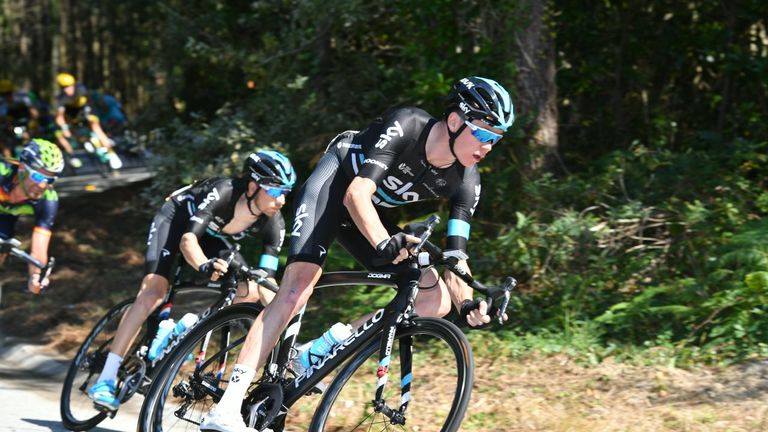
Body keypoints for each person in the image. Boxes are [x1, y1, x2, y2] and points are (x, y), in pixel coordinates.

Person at [199, 76, 515, 432]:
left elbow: (456, 255)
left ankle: (319, 349)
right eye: (484, 134)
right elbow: (356, 194)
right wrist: (383, 242)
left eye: (497, 139)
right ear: (455, 121)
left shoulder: (467, 181)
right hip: (334, 189)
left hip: (366, 215)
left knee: (435, 300)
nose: (488, 147)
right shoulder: (408, 125)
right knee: (296, 288)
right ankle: (224, 409)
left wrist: (470, 302)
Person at [87, 150, 296, 412]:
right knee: (154, 292)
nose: (282, 200)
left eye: (286, 192)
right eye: (276, 192)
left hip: (211, 236)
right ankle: (106, 378)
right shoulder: (224, 192)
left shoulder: (274, 223)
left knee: (250, 289)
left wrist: (284, 317)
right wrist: (203, 264)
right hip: (175, 221)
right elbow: (188, 241)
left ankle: (188, 329)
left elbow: (268, 279)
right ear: (253, 186)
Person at [0, 139, 64, 294]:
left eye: (50, 180)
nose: (43, 185)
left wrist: (35, 276)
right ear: (22, 168)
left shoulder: (48, 199)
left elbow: (39, 249)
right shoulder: (2, 172)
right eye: (38, 177)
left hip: (5, 218)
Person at [53, 73, 121, 170]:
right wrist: (64, 128)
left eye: (69, 86)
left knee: (96, 128)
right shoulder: (61, 98)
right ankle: (80, 147)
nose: (67, 89)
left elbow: (91, 102)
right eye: (63, 87)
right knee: (66, 132)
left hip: (87, 110)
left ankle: (111, 152)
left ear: (73, 84)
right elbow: (60, 117)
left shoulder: (80, 89)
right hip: (72, 115)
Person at [0, 80, 41, 158]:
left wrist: (34, 121)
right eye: (3, 95)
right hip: (12, 123)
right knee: (3, 142)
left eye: (8, 93)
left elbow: (33, 111)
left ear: (12, 91)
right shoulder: (2, 102)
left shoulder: (22, 97)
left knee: (31, 135)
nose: (6, 97)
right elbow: (2, 117)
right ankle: (9, 163)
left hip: (26, 119)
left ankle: (36, 157)